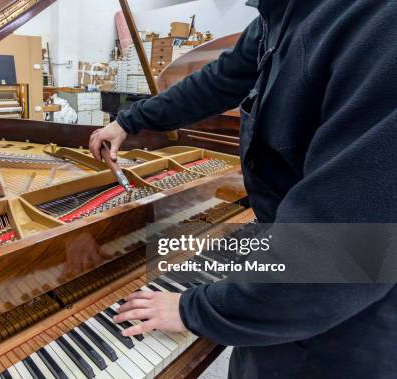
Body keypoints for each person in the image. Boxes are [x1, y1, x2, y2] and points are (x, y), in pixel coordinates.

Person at [89, 1, 397, 378]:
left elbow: (346, 250)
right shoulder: (282, 13)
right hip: (284, 282)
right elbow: (218, 81)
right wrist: (130, 121)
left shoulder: (380, 20)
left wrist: (195, 310)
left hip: (341, 326)